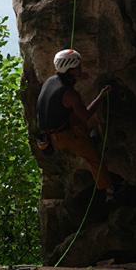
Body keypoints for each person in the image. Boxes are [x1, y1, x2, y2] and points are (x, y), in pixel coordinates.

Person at [37, 48, 115, 197]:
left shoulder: (50, 81)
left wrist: (79, 76)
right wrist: (101, 96)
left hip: (46, 133)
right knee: (94, 157)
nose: (81, 69)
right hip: (61, 137)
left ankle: (82, 134)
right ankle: (109, 190)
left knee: (73, 116)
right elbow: (86, 115)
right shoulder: (70, 94)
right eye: (78, 68)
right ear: (70, 70)